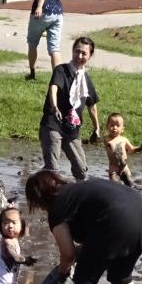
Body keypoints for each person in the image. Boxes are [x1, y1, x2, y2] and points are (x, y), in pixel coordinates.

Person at [25, 170, 142, 284]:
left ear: (38, 198)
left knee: (85, 279)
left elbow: (68, 254)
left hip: (113, 219)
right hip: (141, 212)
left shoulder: (58, 206)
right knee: (122, 275)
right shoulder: (79, 189)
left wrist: (61, 274)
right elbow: (93, 240)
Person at [39, 36, 101, 181]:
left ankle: (79, 198)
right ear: (72, 51)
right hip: (53, 124)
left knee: (82, 171)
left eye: (84, 54)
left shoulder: (85, 79)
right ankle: (42, 193)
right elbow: (53, 88)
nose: (79, 56)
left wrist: (96, 128)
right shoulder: (61, 70)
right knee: (52, 169)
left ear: (90, 56)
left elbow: (91, 105)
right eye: (76, 51)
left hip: (72, 128)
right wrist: (54, 106)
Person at [104, 112, 142, 186]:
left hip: (124, 167)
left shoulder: (124, 139)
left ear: (122, 129)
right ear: (107, 126)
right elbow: (97, 141)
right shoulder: (106, 139)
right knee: (114, 185)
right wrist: (94, 138)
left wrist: (140, 148)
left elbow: (131, 149)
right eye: (112, 125)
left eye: (118, 126)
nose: (115, 128)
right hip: (113, 167)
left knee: (130, 183)